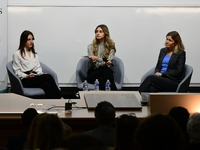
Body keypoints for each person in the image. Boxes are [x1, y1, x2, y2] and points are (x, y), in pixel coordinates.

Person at [12, 30, 63, 99]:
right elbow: (17, 72)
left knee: (46, 85)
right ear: (24, 41)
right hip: (25, 79)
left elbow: (37, 67)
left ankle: (53, 104)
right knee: (48, 76)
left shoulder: (34, 53)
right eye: (29, 39)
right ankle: (61, 97)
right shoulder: (17, 54)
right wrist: (27, 76)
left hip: (34, 76)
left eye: (32, 39)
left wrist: (39, 73)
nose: (31, 41)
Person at [87, 24, 117, 90]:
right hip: (93, 73)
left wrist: (98, 59)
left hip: (105, 73)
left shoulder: (111, 46)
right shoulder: (90, 46)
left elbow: (109, 63)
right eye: (96, 31)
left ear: (105, 33)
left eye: (100, 32)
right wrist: (104, 63)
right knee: (106, 71)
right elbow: (94, 65)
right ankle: (115, 92)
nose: (98, 33)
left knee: (102, 79)